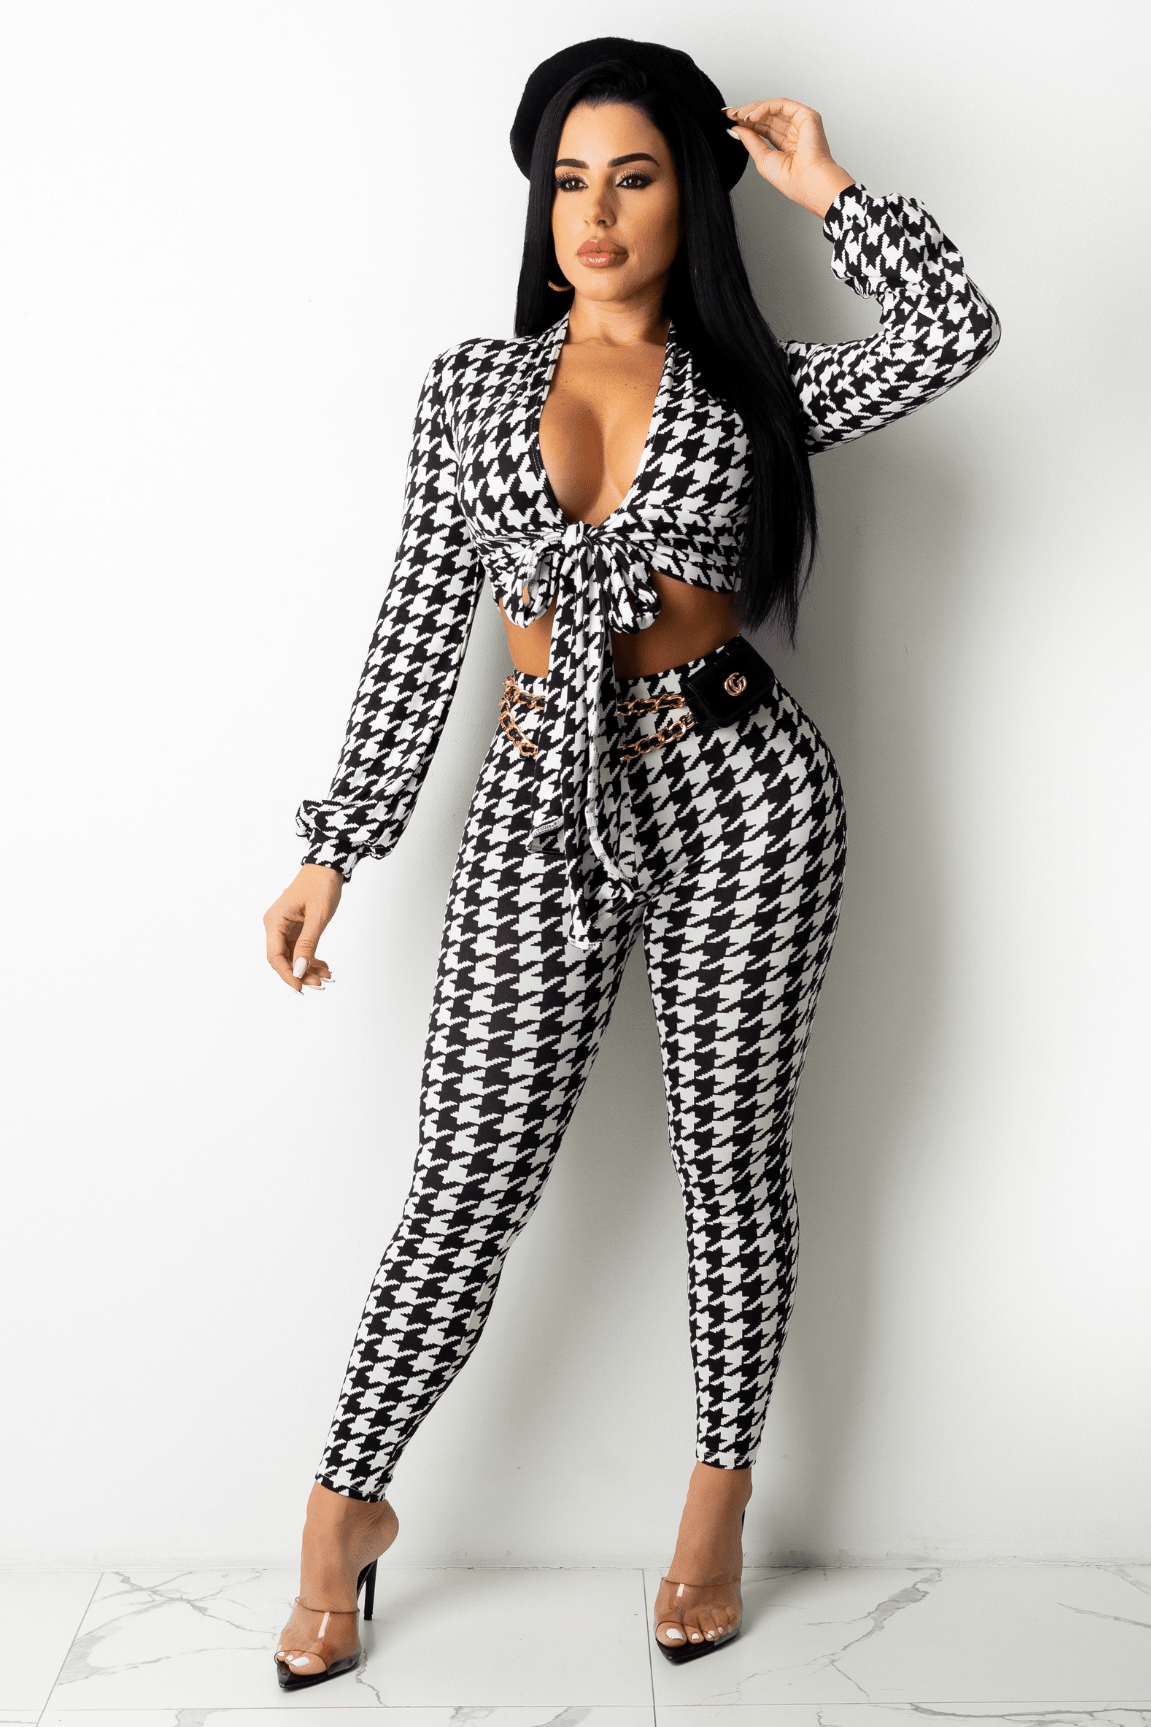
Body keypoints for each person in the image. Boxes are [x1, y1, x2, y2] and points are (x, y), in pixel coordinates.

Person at [263, 36, 1001, 1680]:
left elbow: (952, 332)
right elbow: (418, 623)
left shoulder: (755, 384)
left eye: (635, 176)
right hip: (537, 805)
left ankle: (713, 1503)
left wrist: (829, 187)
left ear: (691, 201)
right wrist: (336, 847)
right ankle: (341, 1509)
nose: (593, 213)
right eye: (568, 180)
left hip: (740, 793)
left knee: (727, 1162)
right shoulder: (469, 385)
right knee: (463, 1179)